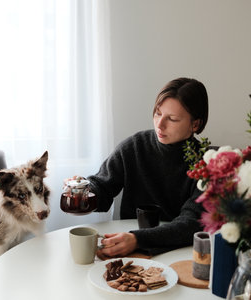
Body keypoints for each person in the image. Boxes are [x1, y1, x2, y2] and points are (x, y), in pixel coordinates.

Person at [69, 77, 209, 258]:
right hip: (125, 246)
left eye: (172, 119)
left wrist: (137, 239)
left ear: (195, 124)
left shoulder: (206, 163)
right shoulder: (135, 147)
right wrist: (82, 192)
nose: (160, 124)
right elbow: (102, 186)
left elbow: (191, 223)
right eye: (158, 113)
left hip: (179, 252)